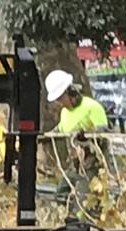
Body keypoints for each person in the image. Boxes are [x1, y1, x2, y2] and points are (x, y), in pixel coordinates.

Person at [44, 70, 109, 218]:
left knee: (84, 204)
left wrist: (86, 134)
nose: (60, 103)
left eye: (61, 98)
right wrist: (44, 136)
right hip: (76, 165)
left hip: (93, 166)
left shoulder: (92, 107)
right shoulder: (65, 113)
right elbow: (60, 129)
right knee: (60, 195)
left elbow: (103, 131)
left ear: (70, 92)